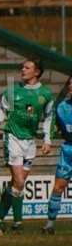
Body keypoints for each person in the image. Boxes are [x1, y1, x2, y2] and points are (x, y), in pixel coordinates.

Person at [0, 59, 54, 235]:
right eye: (22, 67)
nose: (22, 69)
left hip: (30, 141)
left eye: (27, 67)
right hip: (13, 137)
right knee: (18, 181)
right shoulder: (12, 90)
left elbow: (48, 117)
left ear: (37, 72)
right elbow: (2, 109)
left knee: (17, 185)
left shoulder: (45, 94)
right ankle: (18, 222)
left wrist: (47, 139)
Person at [42, 75, 72, 234]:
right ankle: (49, 224)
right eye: (71, 84)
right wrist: (48, 140)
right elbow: (54, 127)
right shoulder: (62, 108)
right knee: (58, 186)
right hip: (68, 151)